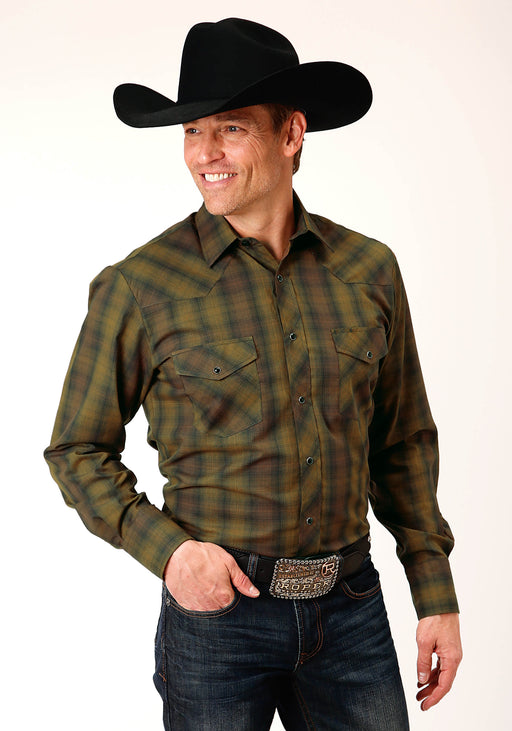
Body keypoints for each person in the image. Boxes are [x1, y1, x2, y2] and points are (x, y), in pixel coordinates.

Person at [44, 17, 462, 730]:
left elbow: (402, 442)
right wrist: (171, 555)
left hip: (351, 610)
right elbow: (76, 449)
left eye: (231, 129)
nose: (204, 153)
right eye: (192, 132)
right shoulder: (142, 284)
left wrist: (435, 592)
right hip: (218, 618)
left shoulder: (369, 270)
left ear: (291, 133)